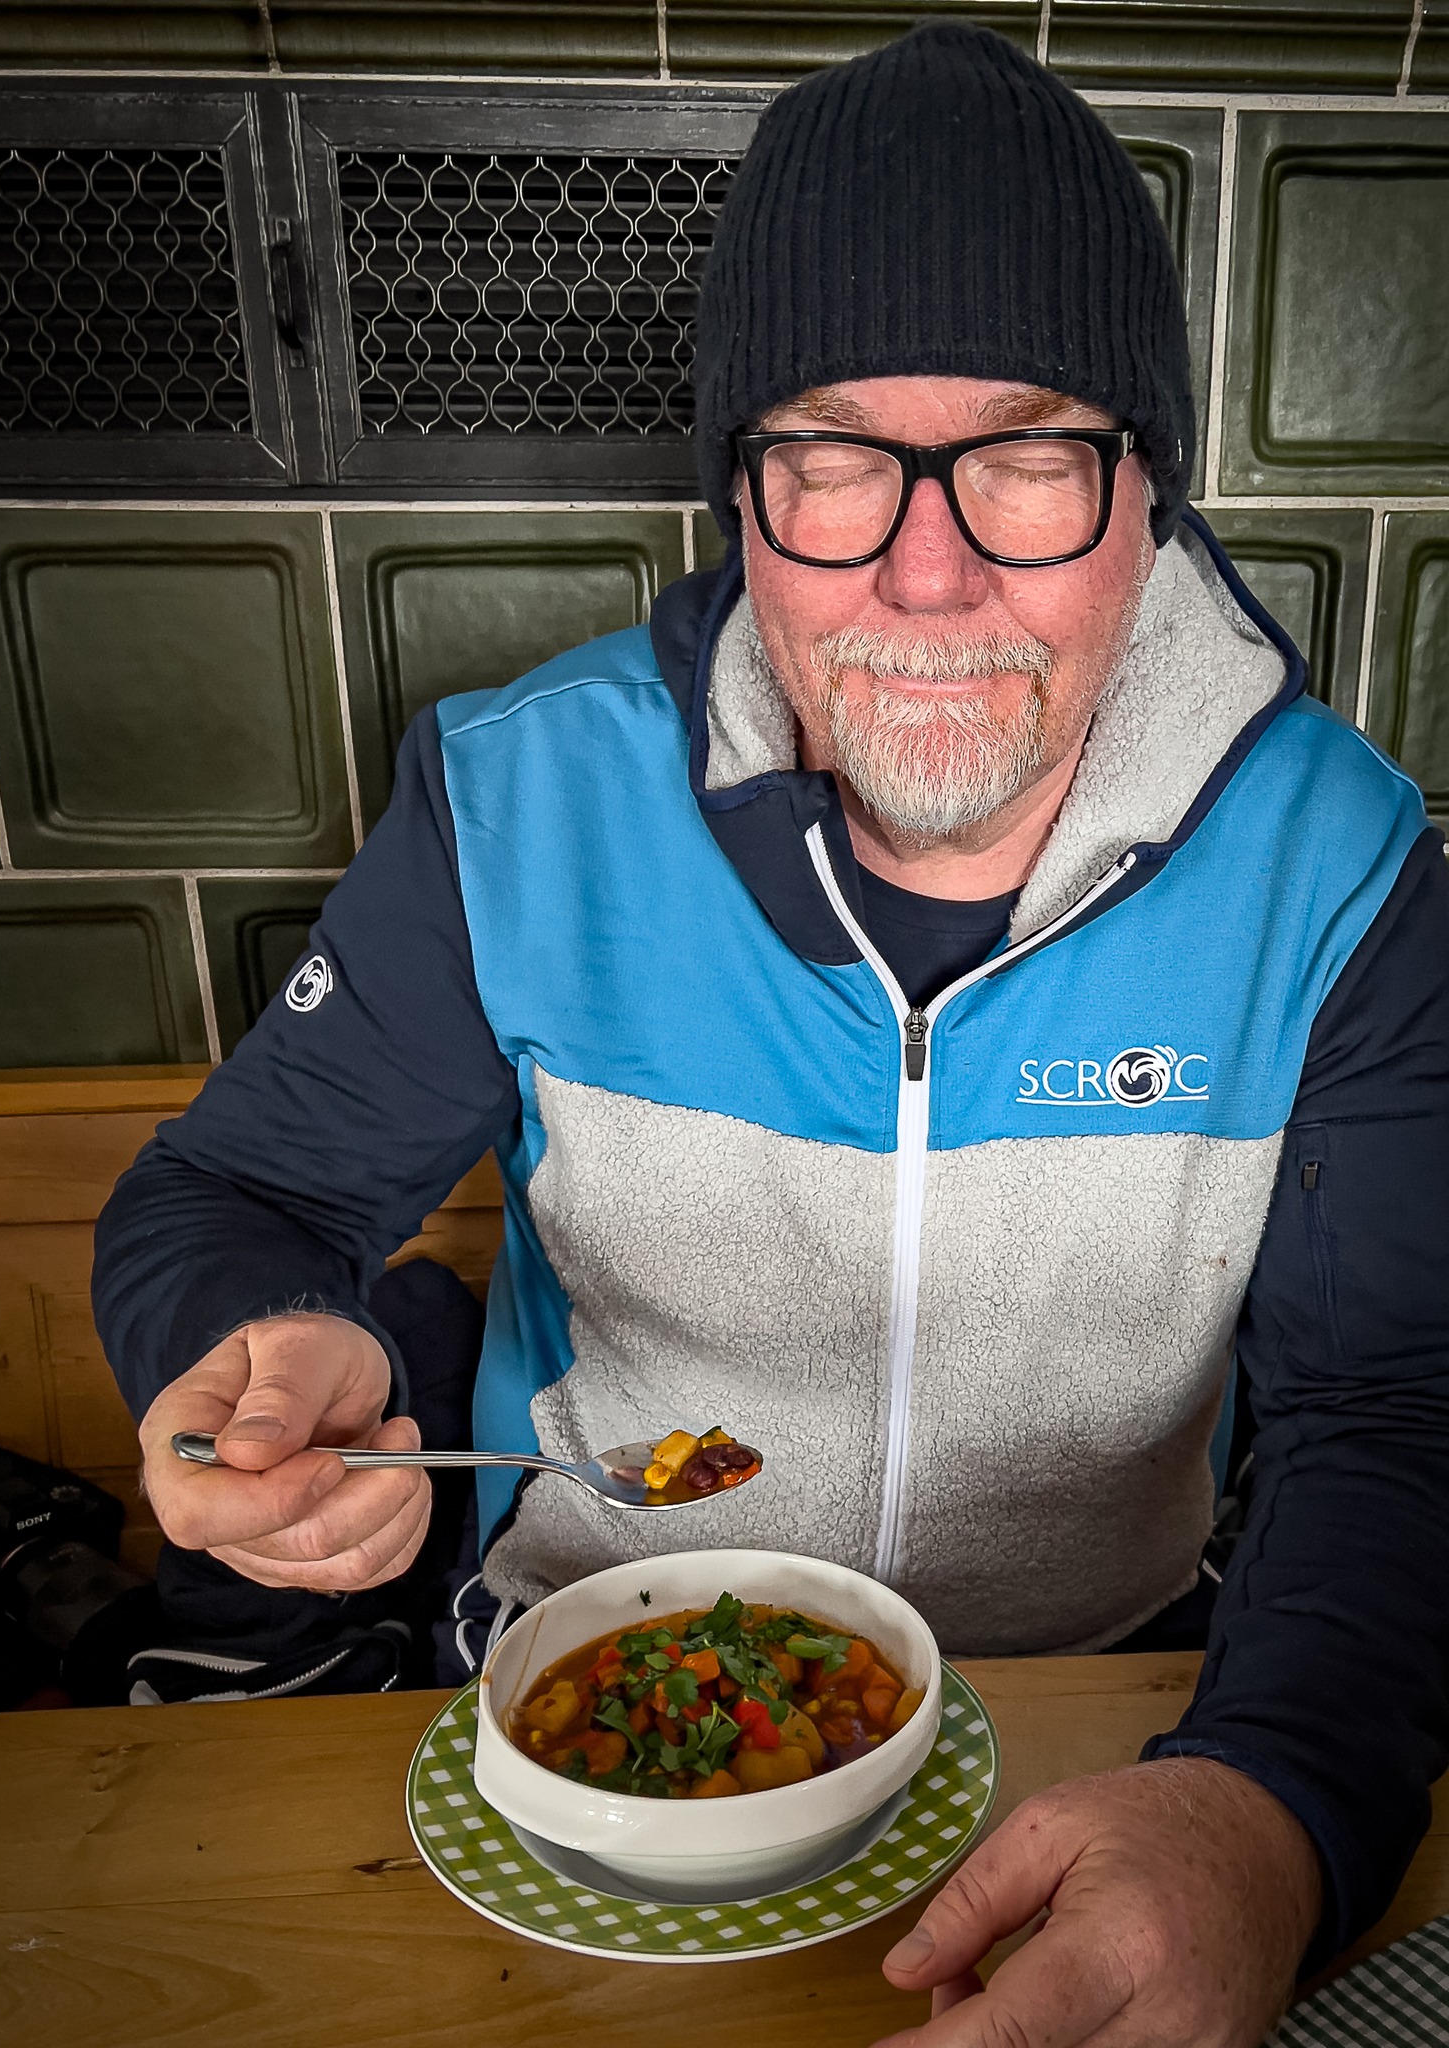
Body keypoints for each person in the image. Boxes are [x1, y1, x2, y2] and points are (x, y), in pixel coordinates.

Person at [92, 22, 1449, 2046]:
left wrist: (1276, 1813)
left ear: (1148, 492)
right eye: (830, 452)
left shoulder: (1347, 859)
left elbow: (1397, 1411)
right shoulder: (518, 800)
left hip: (1120, 1710)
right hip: (584, 1697)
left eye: (1027, 453)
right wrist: (259, 1352)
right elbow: (242, 1189)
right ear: (741, 492)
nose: (924, 566)